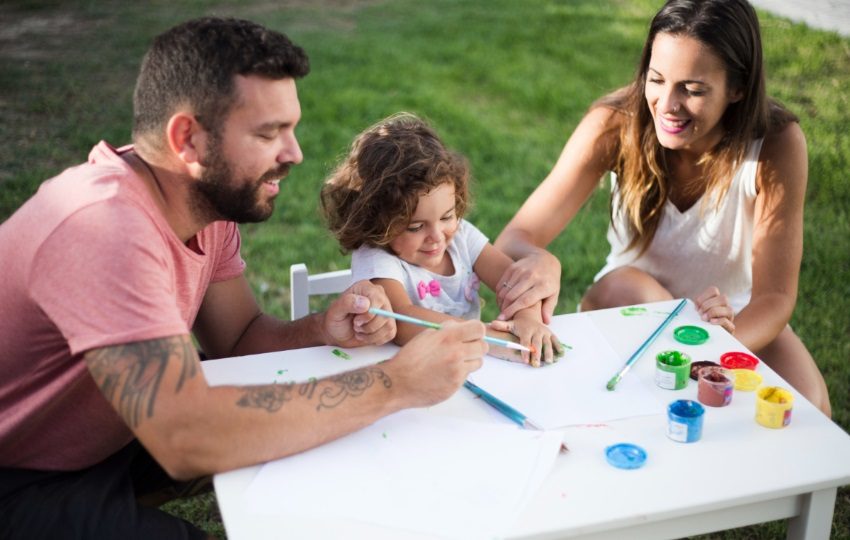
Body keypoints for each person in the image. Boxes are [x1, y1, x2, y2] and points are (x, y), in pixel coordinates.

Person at [0, 18, 489, 539]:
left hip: (110, 433)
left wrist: (326, 327)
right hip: (21, 473)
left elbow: (237, 339)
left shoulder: (201, 209)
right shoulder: (104, 228)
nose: (295, 153)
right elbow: (186, 437)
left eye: (292, 128)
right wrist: (393, 385)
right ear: (187, 139)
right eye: (267, 133)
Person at [494, 0, 831, 415]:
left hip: (732, 318)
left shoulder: (776, 143)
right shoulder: (615, 122)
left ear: (738, 87)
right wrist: (542, 261)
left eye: (692, 89)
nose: (666, 104)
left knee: (812, 410)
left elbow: (775, 297)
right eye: (656, 79)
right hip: (631, 299)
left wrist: (716, 342)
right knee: (635, 287)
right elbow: (515, 239)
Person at [320, 113, 563, 367]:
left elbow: (516, 282)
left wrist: (528, 318)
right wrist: (487, 338)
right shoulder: (376, 258)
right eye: (415, 227)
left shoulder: (461, 236)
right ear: (378, 225)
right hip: (402, 374)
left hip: (461, 367)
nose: (437, 236)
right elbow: (401, 322)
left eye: (447, 216)